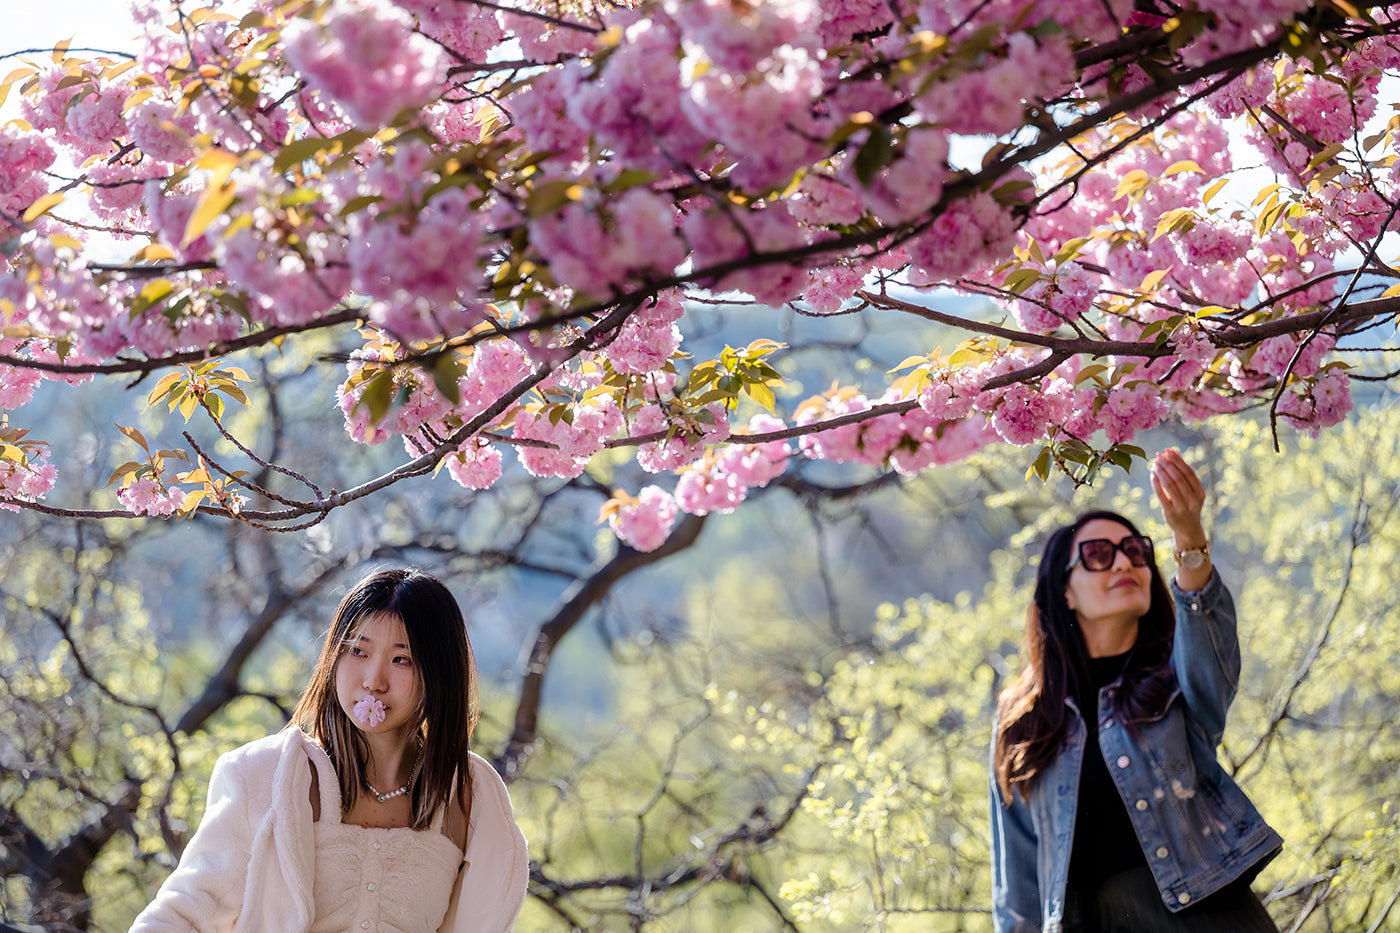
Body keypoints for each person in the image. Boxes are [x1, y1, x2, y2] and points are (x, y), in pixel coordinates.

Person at [131, 568, 529, 933]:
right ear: (334, 658)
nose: (374, 680)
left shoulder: (469, 796)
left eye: (402, 659)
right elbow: (183, 915)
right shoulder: (266, 775)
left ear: (439, 673)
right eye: (358, 651)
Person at [989, 449, 1282, 933]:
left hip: (1206, 918)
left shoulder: (1175, 678)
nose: (1123, 562)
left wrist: (1188, 536)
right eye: (1099, 555)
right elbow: (1016, 879)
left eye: (1135, 551)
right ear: (1065, 591)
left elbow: (1210, 644)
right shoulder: (1024, 719)